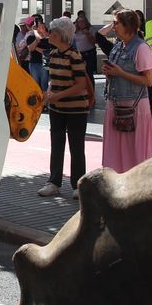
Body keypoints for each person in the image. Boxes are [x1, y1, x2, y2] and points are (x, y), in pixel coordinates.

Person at [39, 17, 91, 199]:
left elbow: (80, 85)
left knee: (76, 146)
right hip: (57, 108)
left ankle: (78, 184)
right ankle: (53, 182)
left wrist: (56, 96)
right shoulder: (53, 55)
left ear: (60, 35)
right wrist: (49, 92)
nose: (48, 34)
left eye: (52, 31)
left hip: (76, 109)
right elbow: (53, 79)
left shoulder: (75, 56)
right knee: (57, 143)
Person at [100, 9, 152, 173]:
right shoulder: (118, 46)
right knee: (115, 151)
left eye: (116, 23)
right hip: (116, 104)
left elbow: (148, 81)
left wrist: (120, 73)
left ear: (128, 25)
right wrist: (110, 72)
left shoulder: (141, 48)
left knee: (135, 153)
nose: (113, 26)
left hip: (134, 108)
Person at [24, 17, 52, 94]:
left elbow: (46, 51)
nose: (41, 28)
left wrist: (36, 48)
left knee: (44, 85)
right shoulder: (31, 37)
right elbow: (30, 48)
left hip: (45, 64)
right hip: (34, 63)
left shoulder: (48, 39)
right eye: (39, 27)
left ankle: (45, 102)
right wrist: (37, 40)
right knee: (35, 84)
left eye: (43, 27)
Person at [72, 15, 98, 79]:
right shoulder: (76, 31)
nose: (81, 23)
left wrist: (88, 34)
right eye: (79, 22)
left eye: (82, 22)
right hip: (80, 54)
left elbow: (94, 42)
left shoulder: (91, 29)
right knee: (80, 74)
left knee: (89, 73)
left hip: (89, 53)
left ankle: (91, 88)